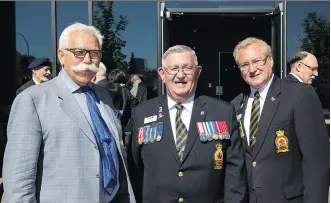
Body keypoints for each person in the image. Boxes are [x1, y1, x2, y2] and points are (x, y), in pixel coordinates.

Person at [3, 22, 135, 203]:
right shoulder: (32, 100)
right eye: (79, 52)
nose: (87, 60)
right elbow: (19, 178)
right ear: (61, 55)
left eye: (94, 53)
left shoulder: (104, 96)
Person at [128, 45, 247, 203]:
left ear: (198, 72)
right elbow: (135, 171)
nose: (180, 75)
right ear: (162, 74)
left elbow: (235, 169)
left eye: (187, 68)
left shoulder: (222, 111)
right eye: (174, 68)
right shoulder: (142, 113)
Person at [231, 37, 329, 203]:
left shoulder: (299, 95)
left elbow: (316, 163)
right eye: (245, 65)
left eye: (257, 61)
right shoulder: (236, 104)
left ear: (270, 61)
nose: (252, 69)